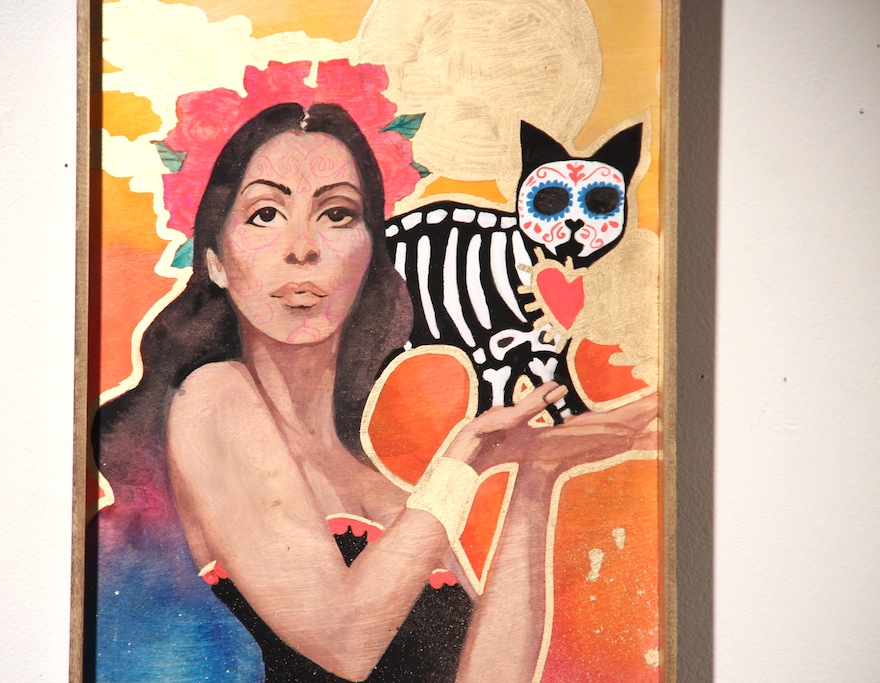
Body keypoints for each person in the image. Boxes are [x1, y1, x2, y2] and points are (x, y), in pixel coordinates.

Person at [91, 102, 657, 682]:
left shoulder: (386, 477)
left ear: (370, 253)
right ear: (215, 260)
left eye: (337, 214)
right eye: (265, 214)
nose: (302, 248)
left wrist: (534, 475)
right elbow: (345, 643)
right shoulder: (214, 396)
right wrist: (465, 458)